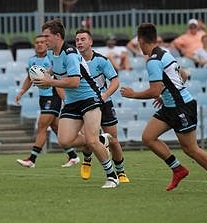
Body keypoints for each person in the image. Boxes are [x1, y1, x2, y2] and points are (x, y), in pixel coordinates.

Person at [120, 23, 207, 192]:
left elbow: (154, 90)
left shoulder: (154, 61)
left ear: (140, 40)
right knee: (148, 137)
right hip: (170, 106)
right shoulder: (165, 53)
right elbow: (182, 75)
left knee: (190, 149)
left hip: (182, 107)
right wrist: (168, 94)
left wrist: (133, 94)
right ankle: (178, 169)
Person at [34, 19, 119, 188]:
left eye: (47, 36)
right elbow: (55, 69)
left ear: (58, 36)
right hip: (73, 101)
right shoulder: (52, 54)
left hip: (89, 98)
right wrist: (42, 74)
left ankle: (112, 176)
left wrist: (49, 82)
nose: (44, 40)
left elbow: (74, 82)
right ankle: (101, 139)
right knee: (64, 141)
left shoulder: (71, 53)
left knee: (92, 141)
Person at [15, 35, 80, 168]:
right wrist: (22, 91)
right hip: (43, 97)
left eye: (43, 42)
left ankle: (32, 159)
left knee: (42, 126)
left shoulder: (52, 57)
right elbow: (29, 77)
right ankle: (73, 156)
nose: (39, 45)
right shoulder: (32, 60)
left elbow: (59, 76)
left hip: (53, 95)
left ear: (47, 44)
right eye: (37, 42)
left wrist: (65, 98)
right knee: (56, 127)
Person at [75, 29, 130, 183]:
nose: (79, 42)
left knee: (113, 139)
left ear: (90, 42)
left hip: (103, 103)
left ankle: (121, 172)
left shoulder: (102, 60)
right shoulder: (74, 61)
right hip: (85, 103)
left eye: (83, 39)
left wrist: (105, 95)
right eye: (77, 40)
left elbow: (115, 80)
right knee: (87, 139)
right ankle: (87, 161)